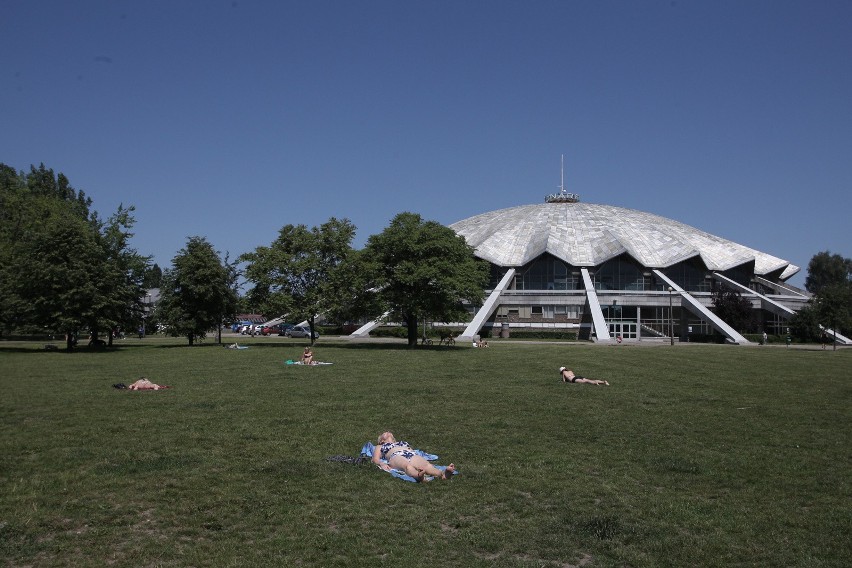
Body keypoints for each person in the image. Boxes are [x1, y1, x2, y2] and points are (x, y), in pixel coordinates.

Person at [372, 431, 455, 482]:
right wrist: (381, 463)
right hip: (395, 455)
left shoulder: (401, 442)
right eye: (384, 433)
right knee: (407, 466)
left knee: (427, 465)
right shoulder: (380, 446)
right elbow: (375, 459)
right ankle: (419, 476)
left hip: (410, 453)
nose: (387, 432)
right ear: (381, 440)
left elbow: (412, 450)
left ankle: (442, 474)